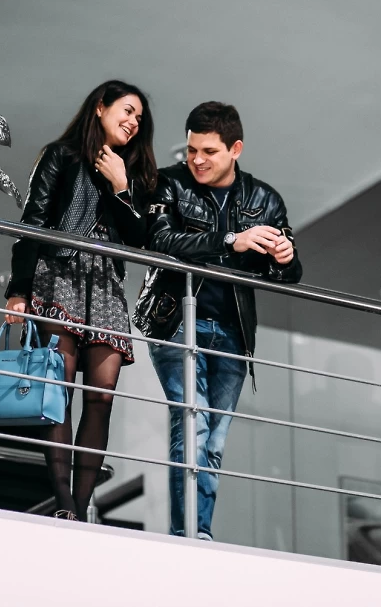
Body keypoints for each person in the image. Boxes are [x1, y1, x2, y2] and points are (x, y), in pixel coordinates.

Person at [133, 101, 303, 539]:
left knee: (215, 441)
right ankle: (187, 534)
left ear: (235, 149)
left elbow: (289, 273)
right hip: (175, 318)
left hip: (233, 331)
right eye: (192, 150)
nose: (197, 160)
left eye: (209, 151)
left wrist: (284, 258)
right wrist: (230, 240)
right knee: (193, 422)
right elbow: (159, 239)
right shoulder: (169, 183)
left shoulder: (264, 199)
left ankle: (199, 532)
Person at [3, 80, 157, 522]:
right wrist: (19, 290)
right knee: (59, 390)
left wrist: (121, 186)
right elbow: (33, 223)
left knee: (101, 398)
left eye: (139, 118)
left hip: (106, 283)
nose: (133, 122)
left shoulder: (133, 173)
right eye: (127, 111)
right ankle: (65, 504)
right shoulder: (61, 155)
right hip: (60, 275)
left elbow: (140, 240)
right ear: (100, 108)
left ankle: (82, 503)